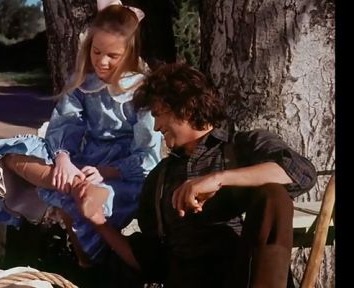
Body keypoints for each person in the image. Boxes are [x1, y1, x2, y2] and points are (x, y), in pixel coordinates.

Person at [77, 62, 318, 287]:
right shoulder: (159, 179)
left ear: (186, 107)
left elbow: (300, 173)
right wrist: (98, 220)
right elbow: (150, 262)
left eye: (160, 113)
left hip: (244, 275)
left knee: (273, 195)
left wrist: (217, 179)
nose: (157, 126)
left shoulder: (244, 146)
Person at [0, 2, 162, 267]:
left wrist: (106, 171)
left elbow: (148, 156)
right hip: (81, 162)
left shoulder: (142, 92)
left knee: (89, 198)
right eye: (97, 52)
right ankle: (70, 184)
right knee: (10, 155)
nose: (102, 61)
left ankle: (85, 248)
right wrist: (63, 157)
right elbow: (67, 122)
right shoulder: (86, 83)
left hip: (119, 172)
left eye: (112, 55)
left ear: (130, 53)